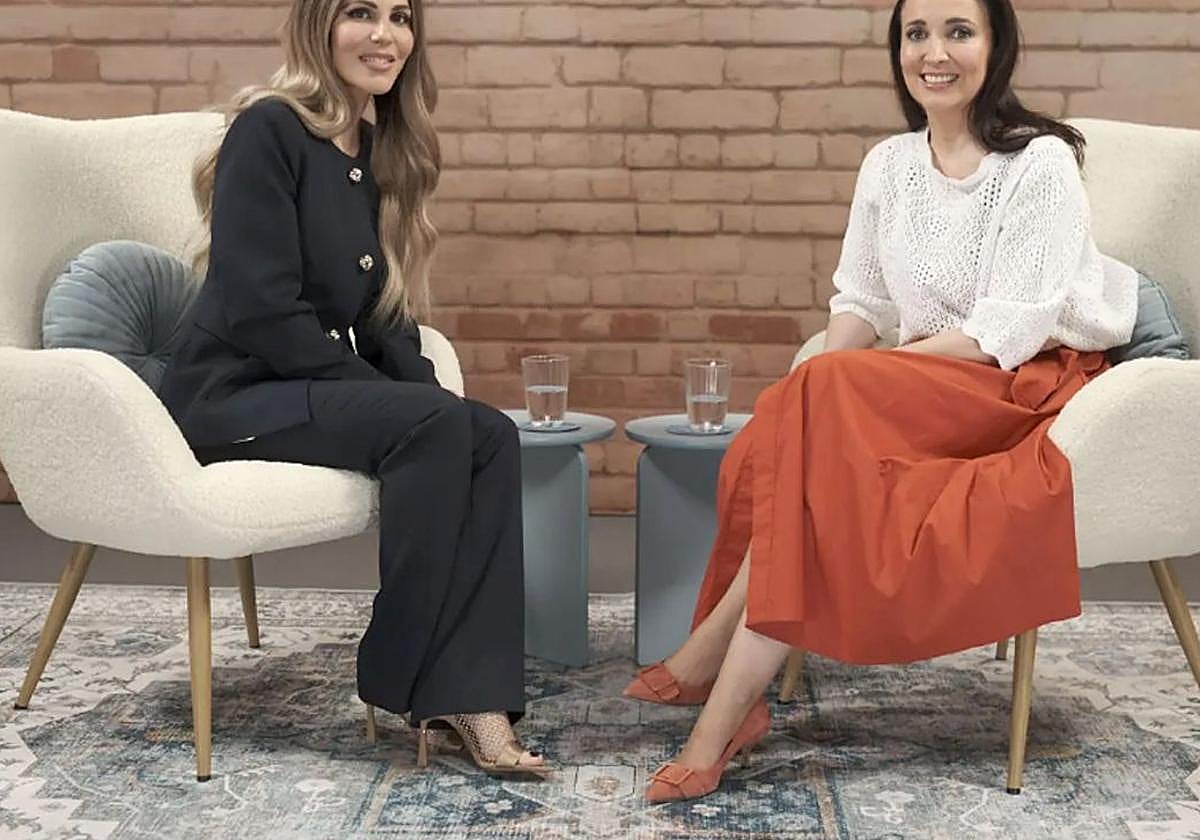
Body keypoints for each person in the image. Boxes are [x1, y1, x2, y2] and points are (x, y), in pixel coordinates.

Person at [623, 0, 1137, 803]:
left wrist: (841, 387)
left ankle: (711, 673)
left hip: (1020, 382)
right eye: (916, 34)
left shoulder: (1039, 163)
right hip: (926, 380)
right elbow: (858, 301)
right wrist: (819, 397)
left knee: (817, 396)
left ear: (996, 46)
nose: (935, 52)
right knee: (798, 415)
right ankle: (721, 716)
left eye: (959, 32)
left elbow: (1006, 328)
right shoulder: (888, 165)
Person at [159, 0, 547, 777]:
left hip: (296, 387)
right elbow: (263, 310)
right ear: (318, 28)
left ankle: (473, 695)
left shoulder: (372, 151)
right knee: (434, 427)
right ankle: (400, 668)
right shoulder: (267, 131)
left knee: (487, 431)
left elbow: (381, 316)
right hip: (227, 397)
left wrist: (438, 400)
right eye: (360, 13)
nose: (384, 35)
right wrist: (408, 409)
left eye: (400, 17)